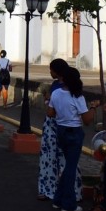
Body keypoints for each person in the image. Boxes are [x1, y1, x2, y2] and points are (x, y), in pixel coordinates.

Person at [46, 65, 94, 211]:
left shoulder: (56, 93)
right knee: (71, 168)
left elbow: (50, 113)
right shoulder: (78, 96)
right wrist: (93, 108)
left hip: (61, 130)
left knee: (68, 167)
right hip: (74, 131)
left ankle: (58, 199)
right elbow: (87, 120)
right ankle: (68, 203)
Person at [38, 59, 82, 203]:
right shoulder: (72, 89)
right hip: (68, 127)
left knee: (49, 158)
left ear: (57, 71)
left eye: (51, 70)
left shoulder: (57, 89)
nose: (50, 72)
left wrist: (46, 101)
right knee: (67, 160)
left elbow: (51, 112)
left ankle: (47, 189)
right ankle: (72, 190)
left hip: (54, 126)